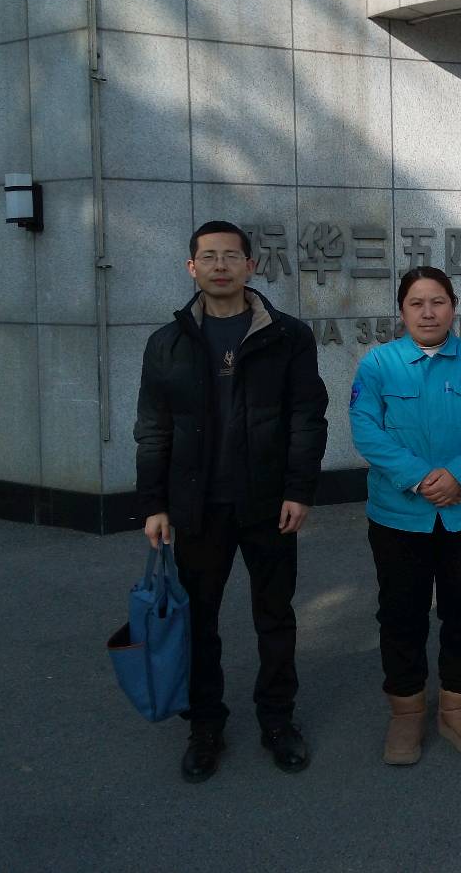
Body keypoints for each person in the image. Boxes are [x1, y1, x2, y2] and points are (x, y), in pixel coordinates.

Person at [135, 220, 328, 783]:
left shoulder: (288, 336)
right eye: (208, 257)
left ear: (251, 265)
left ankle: (278, 720)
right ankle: (205, 726)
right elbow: (153, 428)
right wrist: (154, 503)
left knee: (275, 617)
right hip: (197, 507)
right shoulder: (167, 343)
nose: (220, 266)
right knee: (200, 620)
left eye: (231, 256)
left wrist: (299, 490)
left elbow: (306, 418)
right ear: (191, 267)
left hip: (268, 504)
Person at [349, 267, 461, 765]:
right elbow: (366, 430)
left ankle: (458, 706)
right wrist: (421, 479)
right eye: (416, 303)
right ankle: (407, 711)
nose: (427, 312)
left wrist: (459, 476)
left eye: (438, 302)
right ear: (401, 311)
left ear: (453, 307)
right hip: (400, 516)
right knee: (401, 612)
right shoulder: (378, 365)